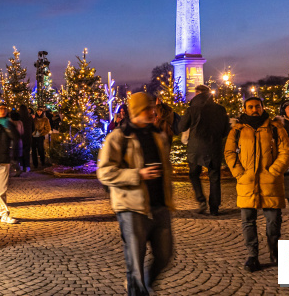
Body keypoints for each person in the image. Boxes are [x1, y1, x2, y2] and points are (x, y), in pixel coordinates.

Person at [98, 92, 174, 296]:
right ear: (137, 111)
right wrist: (138, 174)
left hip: (159, 205)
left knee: (165, 255)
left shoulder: (158, 135)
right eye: (147, 109)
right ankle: (138, 289)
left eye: (153, 108)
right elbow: (104, 172)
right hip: (132, 208)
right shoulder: (119, 137)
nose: (153, 112)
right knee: (135, 267)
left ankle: (145, 285)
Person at [224, 96, 289, 272]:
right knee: (248, 221)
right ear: (245, 109)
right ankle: (252, 255)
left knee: (273, 221)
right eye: (251, 107)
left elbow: (286, 151)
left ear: (263, 108)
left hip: (270, 181)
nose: (255, 109)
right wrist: (239, 173)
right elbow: (229, 152)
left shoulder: (275, 128)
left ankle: (274, 252)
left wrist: (274, 171)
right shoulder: (237, 130)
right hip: (247, 182)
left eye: (257, 106)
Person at [180, 84, 230, 216]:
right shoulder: (220, 109)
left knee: (193, 174)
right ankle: (214, 207)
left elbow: (181, 127)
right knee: (215, 177)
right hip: (214, 147)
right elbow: (226, 130)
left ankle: (201, 200)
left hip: (196, 148)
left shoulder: (192, 109)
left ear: (197, 93)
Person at [19, 105, 33, 173]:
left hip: (20, 136)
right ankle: (27, 166)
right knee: (27, 152)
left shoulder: (19, 118)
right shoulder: (29, 117)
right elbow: (33, 127)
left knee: (21, 152)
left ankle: (21, 166)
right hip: (27, 136)